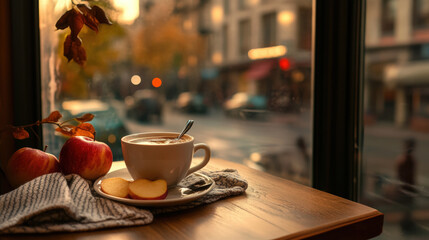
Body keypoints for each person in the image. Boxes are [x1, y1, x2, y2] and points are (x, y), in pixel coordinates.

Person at [395, 138, 417, 232]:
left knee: (408, 207)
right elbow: (402, 175)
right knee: (406, 206)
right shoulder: (404, 160)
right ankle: (405, 222)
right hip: (405, 187)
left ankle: (406, 221)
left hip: (408, 187)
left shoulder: (409, 160)